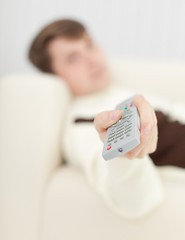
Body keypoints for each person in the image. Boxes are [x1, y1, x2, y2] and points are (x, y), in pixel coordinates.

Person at [28, 19, 185, 219]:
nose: (92, 59)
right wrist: (123, 154)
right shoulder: (81, 125)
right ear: (55, 76)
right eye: (73, 58)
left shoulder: (122, 93)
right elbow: (136, 202)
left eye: (89, 45)